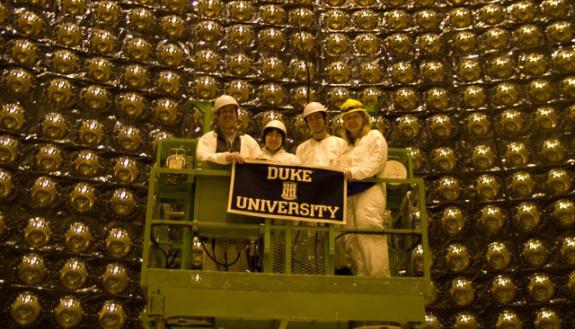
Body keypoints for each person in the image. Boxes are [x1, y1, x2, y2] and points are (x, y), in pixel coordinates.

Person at [337, 98, 390, 277]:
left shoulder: (374, 136)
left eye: (355, 117)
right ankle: (361, 278)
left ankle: (380, 278)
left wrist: (354, 172)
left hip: (369, 188)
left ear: (364, 119)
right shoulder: (345, 146)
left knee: (368, 227)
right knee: (351, 236)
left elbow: (376, 162)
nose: (351, 122)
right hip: (349, 195)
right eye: (347, 119)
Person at [196, 94, 261, 165]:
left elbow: (259, 162)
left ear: (237, 116)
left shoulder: (249, 141)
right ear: (217, 116)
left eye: (231, 111)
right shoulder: (207, 139)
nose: (228, 114)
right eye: (224, 111)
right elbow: (201, 157)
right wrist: (225, 157)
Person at [295, 102, 346, 167]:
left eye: (318, 117)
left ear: (325, 119)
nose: (314, 122)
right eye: (310, 119)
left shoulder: (341, 144)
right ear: (307, 124)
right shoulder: (301, 149)